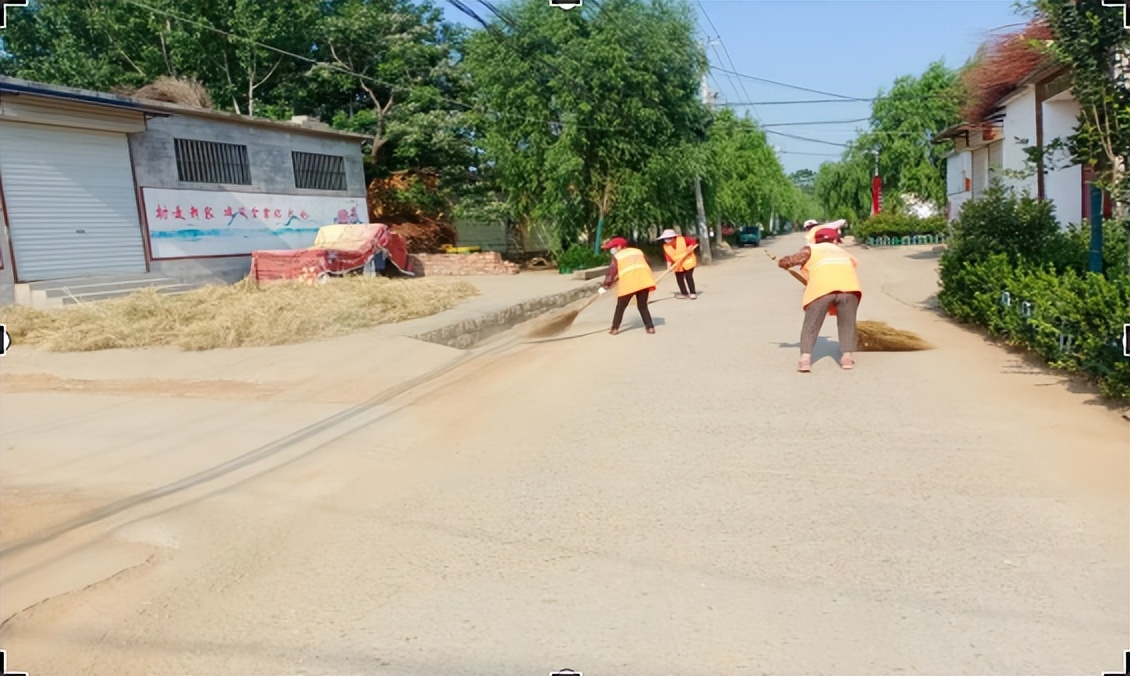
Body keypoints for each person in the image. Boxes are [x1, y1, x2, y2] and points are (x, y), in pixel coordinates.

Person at [777, 226, 862, 372]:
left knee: (812, 324)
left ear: (816, 239)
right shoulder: (845, 253)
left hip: (822, 290)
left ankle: (805, 360)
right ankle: (847, 358)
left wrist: (783, 262)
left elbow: (791, 261)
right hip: (849, 289)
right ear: (835, 240)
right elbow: (851, 268)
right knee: (847, 324)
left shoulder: (811, 249)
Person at [600, 236, 657, 335]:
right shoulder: (638, 251)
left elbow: (612, 272)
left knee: (620, 307)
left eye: (612, 248)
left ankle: (614, 328)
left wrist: (606, 284)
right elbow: (647, 264)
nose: (611, 250)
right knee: (643, 306)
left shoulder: (618, 256)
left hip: (628, 284)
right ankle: (650, 327)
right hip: (643, 281)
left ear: (619, 247)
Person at [657, 228, 698, 299]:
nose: (666, 240)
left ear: (673, 238)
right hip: (678, 263)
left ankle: (693, 293)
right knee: (679, 277)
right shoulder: (666, 246)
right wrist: (669, 266)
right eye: (665, 239)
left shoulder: (682, 239)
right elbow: (668, 256)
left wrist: (690, 246)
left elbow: (693, 242)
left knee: (688, 276)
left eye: (668, 238)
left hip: (688, 261)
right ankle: (684, 293)